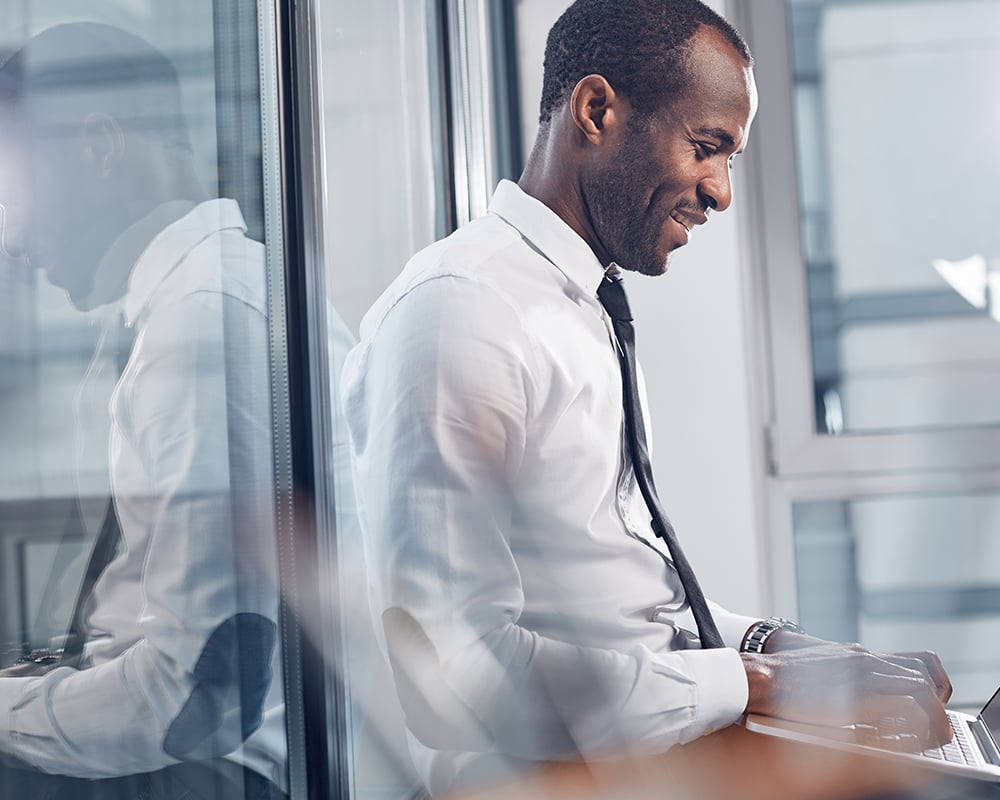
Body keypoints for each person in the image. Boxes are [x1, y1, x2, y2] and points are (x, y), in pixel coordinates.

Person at [340, 1, 955, 796]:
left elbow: (625, 609)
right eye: (708, 148)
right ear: (596, 110)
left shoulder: (576, 307)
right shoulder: (462, 311)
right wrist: (757, 685)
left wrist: (784, 648)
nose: (722, 193)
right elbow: (454, 676)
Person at [0, 23, 285, 798]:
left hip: (206, 774)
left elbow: (201, 700)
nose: (10, 236)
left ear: (97, 147)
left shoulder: (202, 322)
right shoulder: (194, 305)